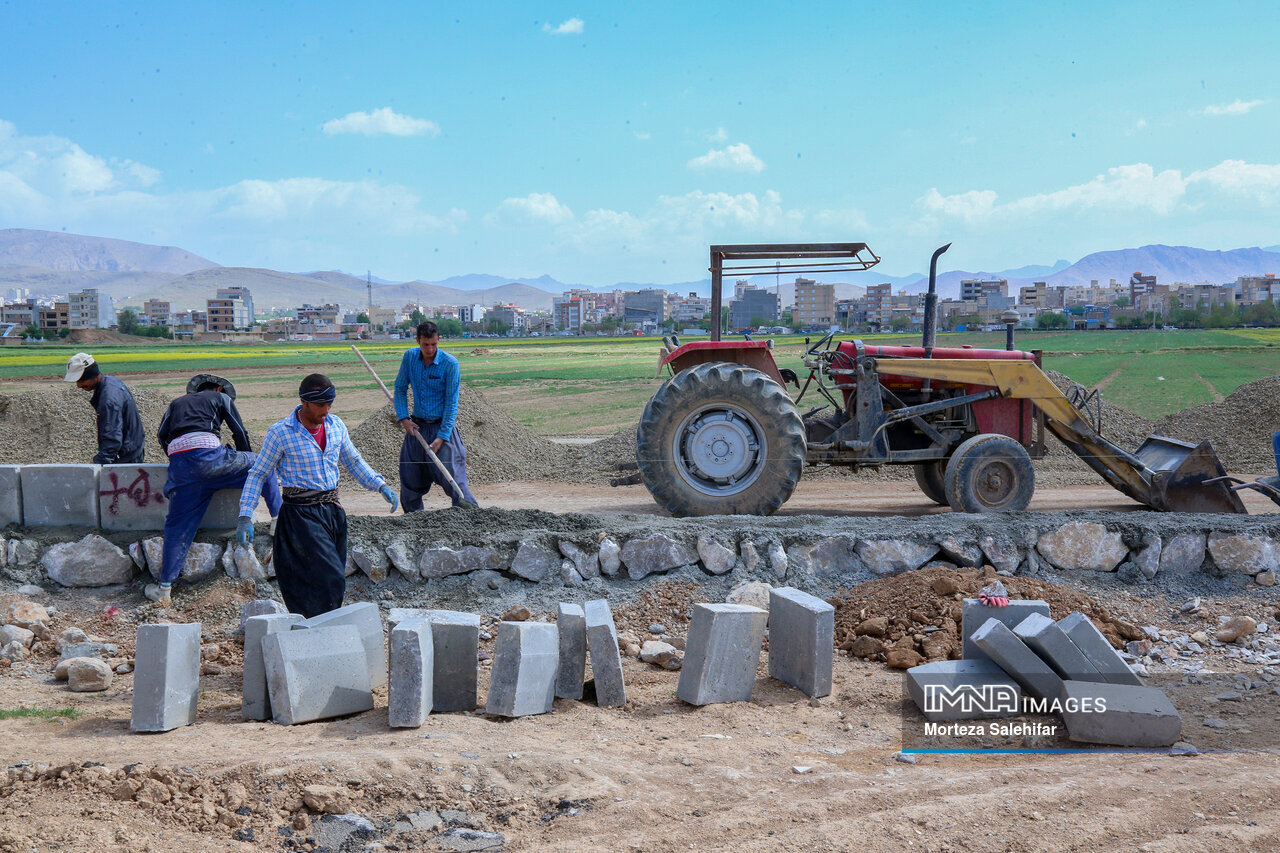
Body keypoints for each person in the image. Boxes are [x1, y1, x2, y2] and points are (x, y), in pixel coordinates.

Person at [236, 374, 396, 617]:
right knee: (329, 574)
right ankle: (322, 623)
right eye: (321, 405)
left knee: (330, 573)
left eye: (330, 404)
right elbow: (258, 473)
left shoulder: (336, 426)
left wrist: (380, 485)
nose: (327, 410)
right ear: (305, 402)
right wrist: (245, 515)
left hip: (332, 511)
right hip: (300, 514)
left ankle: (317, 624)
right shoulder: (280, 433)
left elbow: (353, 461)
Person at [144, 374, 282, 605]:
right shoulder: (220, 398)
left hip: (182, 470)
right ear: (219, 388)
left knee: (177, 528)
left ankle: (164, 588)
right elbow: (239, 431)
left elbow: (161, 435)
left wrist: (181, 460)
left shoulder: (176, 404)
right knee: (262, 465)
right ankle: (279, 519)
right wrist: (244, 456)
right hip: (213, 460)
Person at [393, 320, 477, 510]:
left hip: (442, 430)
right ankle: (413, 524)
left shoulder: (450, 364)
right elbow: (399, 389)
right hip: (416, 429)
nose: (430, 349)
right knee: (410, 482)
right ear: (417, 341)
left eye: (434, 344)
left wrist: (442, 437)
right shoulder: (409, 358)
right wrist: (404, 419)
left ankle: (472, 521)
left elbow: (452, 403)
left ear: (438, 340)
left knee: (456, 483)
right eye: (425, 345)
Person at [63, 352, 145, 464]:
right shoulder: (111, 382)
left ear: (92, 375)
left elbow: (112, 436)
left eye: (81, 380)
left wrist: (102, 462)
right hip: (132, 449)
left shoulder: (108, 399)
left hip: (125, 457)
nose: (78, 385)